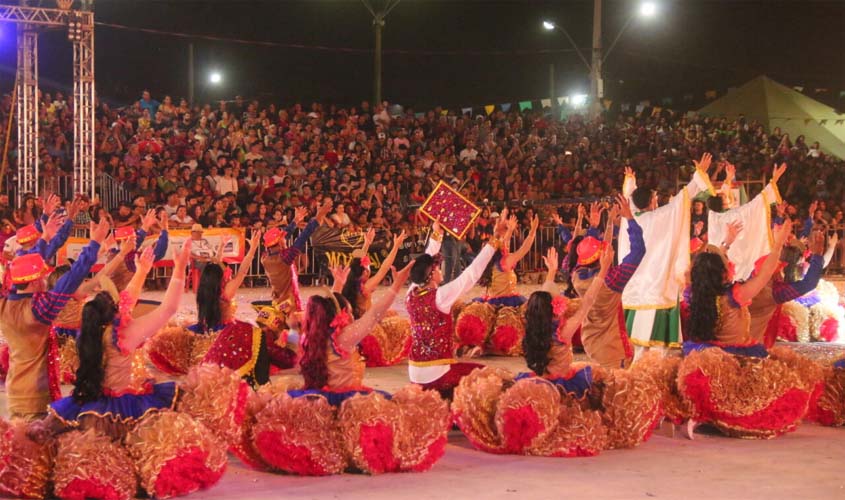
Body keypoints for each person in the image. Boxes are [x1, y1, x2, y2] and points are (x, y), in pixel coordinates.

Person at [0, 218, 109, 420]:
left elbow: (21, 269)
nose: (44, 279)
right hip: (36, 396)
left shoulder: (5, 304)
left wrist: (44, 239)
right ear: (34, 281)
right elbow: (71, 279)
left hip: (15, 391)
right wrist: (93, 244)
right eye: (41, 277)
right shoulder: (38, 309)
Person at [620, 155, 714, 359]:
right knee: (658, 350)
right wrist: (699, 174)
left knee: (637, 348)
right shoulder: (660, 217)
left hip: (635, 287)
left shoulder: (629, 220)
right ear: (652, 202)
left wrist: (630, 183)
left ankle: (636, 375)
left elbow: (629, 201)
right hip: (657, 286)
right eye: (654, 198)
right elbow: (683, 198)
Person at [405, 211, 508, 397]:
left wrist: (437, 233)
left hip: (414, 374)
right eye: (436, 267)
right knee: (488, 375)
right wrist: (495, 239)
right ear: (431, 275)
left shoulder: (411, 292)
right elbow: (471, 274)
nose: (439, 268)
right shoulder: (440, 296)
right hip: (437, 375)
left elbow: (425, 260)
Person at [570, 195, 645, 369]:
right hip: (612, 349)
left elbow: (582, 253)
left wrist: (594, 227)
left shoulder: (576, 275)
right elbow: (638, 250)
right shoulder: (613, 280)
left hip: (590, 341)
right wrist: (629, 218)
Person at [454, 214, 539, 356]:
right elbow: (524, 249)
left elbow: (502, 241)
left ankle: (477, 346)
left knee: (488, 326)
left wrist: (509, 230)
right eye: (505, 241)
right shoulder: (507, 260)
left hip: (492, 301)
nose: (507, 242)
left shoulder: (494, 261)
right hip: (506, 303)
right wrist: (533, 231)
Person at [340, 228, 412, 367]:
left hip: (357, 324)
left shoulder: (348, 282)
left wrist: (366, 244)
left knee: (392, 314)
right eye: (367, 270)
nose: (369, 272)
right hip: (367, 326)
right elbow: (384, 268)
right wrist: (396, 246)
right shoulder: (365, 287)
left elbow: (357, 262)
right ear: (363, 273)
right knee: (403, 324)